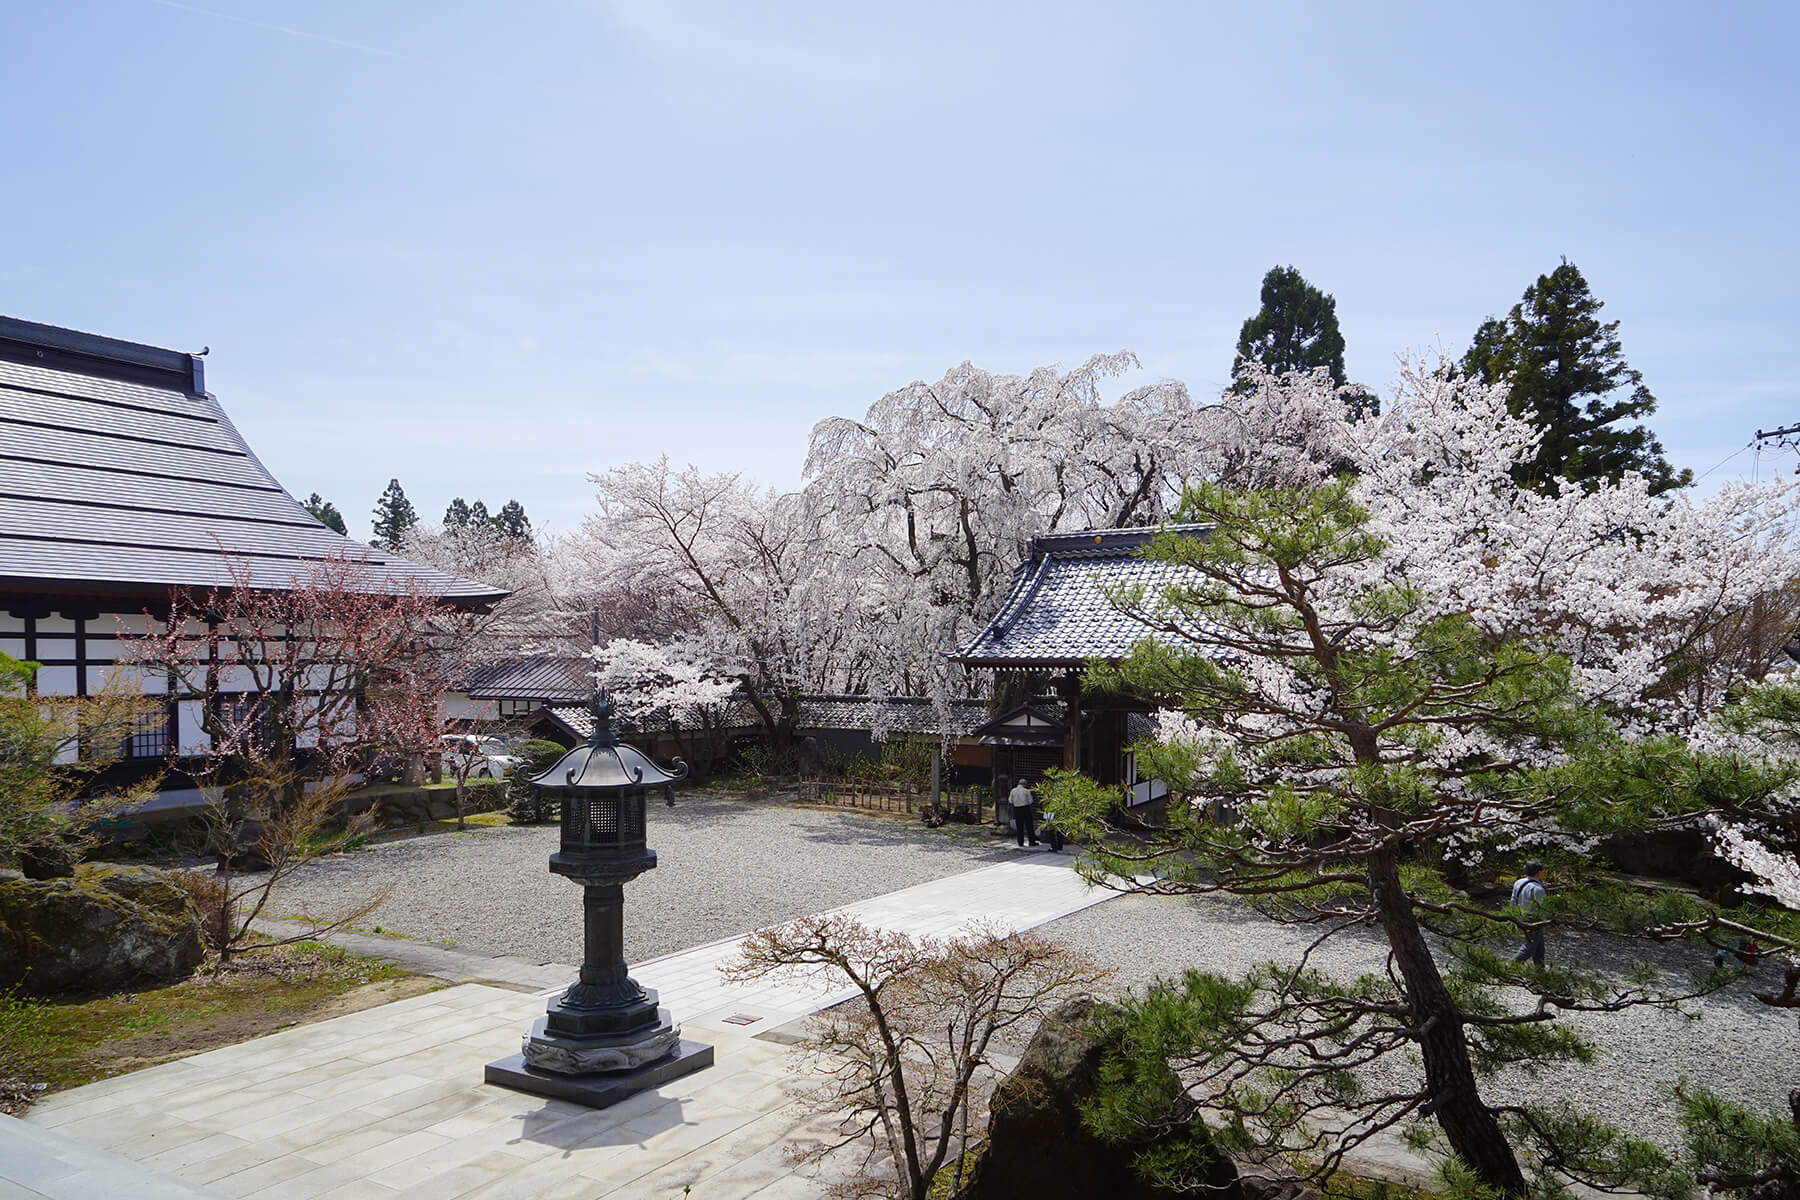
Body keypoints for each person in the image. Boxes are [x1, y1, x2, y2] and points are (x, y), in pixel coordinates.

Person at [1509, 861, 1548, 967]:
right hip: (1535, 922)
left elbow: (1513, 901)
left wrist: (1513, 917)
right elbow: (1544, 909)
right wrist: (1551, 924)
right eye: (1543, 871)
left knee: (1539, 949)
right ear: (1538, 872)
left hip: (1520, 918)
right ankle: (1508, 968)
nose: (1544, 873)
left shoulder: (1518, 882)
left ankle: (1540, 975)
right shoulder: (1538, 889)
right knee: (1528, 949)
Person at [1008, 777, 1039, 848]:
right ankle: (1031, 841)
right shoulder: (1026, 791)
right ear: (1024, 784)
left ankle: (1020, 842)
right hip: (1025, 808)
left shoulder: (1013, 790)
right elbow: (1031, 801)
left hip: (1016, 809)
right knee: (1029, 826)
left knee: (1019, 826)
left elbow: (1010, 801)